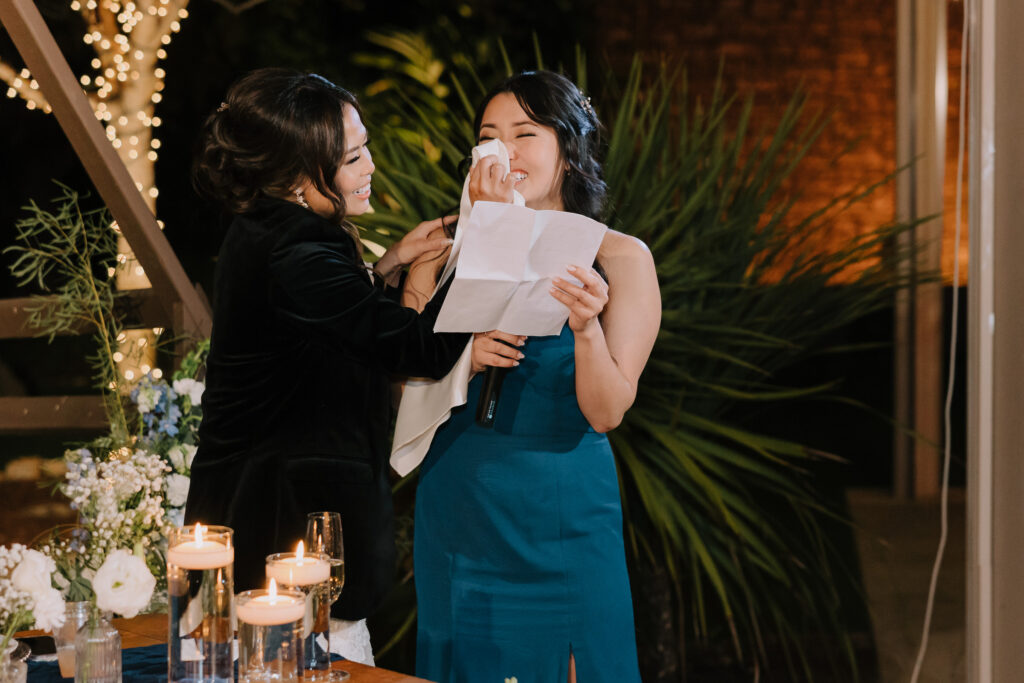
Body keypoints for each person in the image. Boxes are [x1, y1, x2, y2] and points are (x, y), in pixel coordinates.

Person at [183, 68, 468, 656]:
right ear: (296, 176)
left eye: (365, 149)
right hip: (284, 549)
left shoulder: (267, 230)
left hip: (259, 530)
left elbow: (326, 334)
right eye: (352, 157)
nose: (370, 167)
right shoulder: (299, 251)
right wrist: (486, 247)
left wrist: (388, 265)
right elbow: (418, 348)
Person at [407, 71, 661, 683]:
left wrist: (586, 329)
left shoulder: (620, 258)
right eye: (489, 136)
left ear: (568, 150)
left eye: (525, 134)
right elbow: (402, 393)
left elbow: (607, 411)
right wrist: (463, 356)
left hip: (563, 510)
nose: (505, 151)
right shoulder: (440, 254)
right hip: (460, 503)